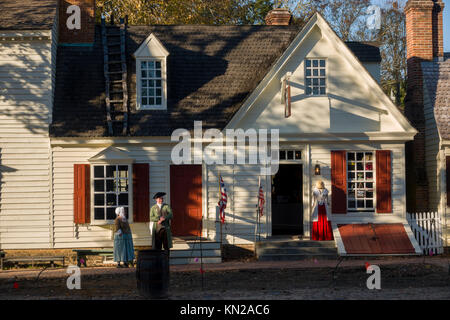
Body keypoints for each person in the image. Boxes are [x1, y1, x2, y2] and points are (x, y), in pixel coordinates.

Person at [150, 192, 173, 256]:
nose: (161, 200)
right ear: (156, 199)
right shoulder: (153, 208)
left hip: (165, 228)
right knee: (158, 245)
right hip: (157, 228)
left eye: (162, 198)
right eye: (160, 199)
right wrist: (158, 219)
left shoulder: (166, 206)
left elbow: (171, 215)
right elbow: (151, 217)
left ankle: (166, 259)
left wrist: (164, 218)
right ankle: (158, 259)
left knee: (166, 245)